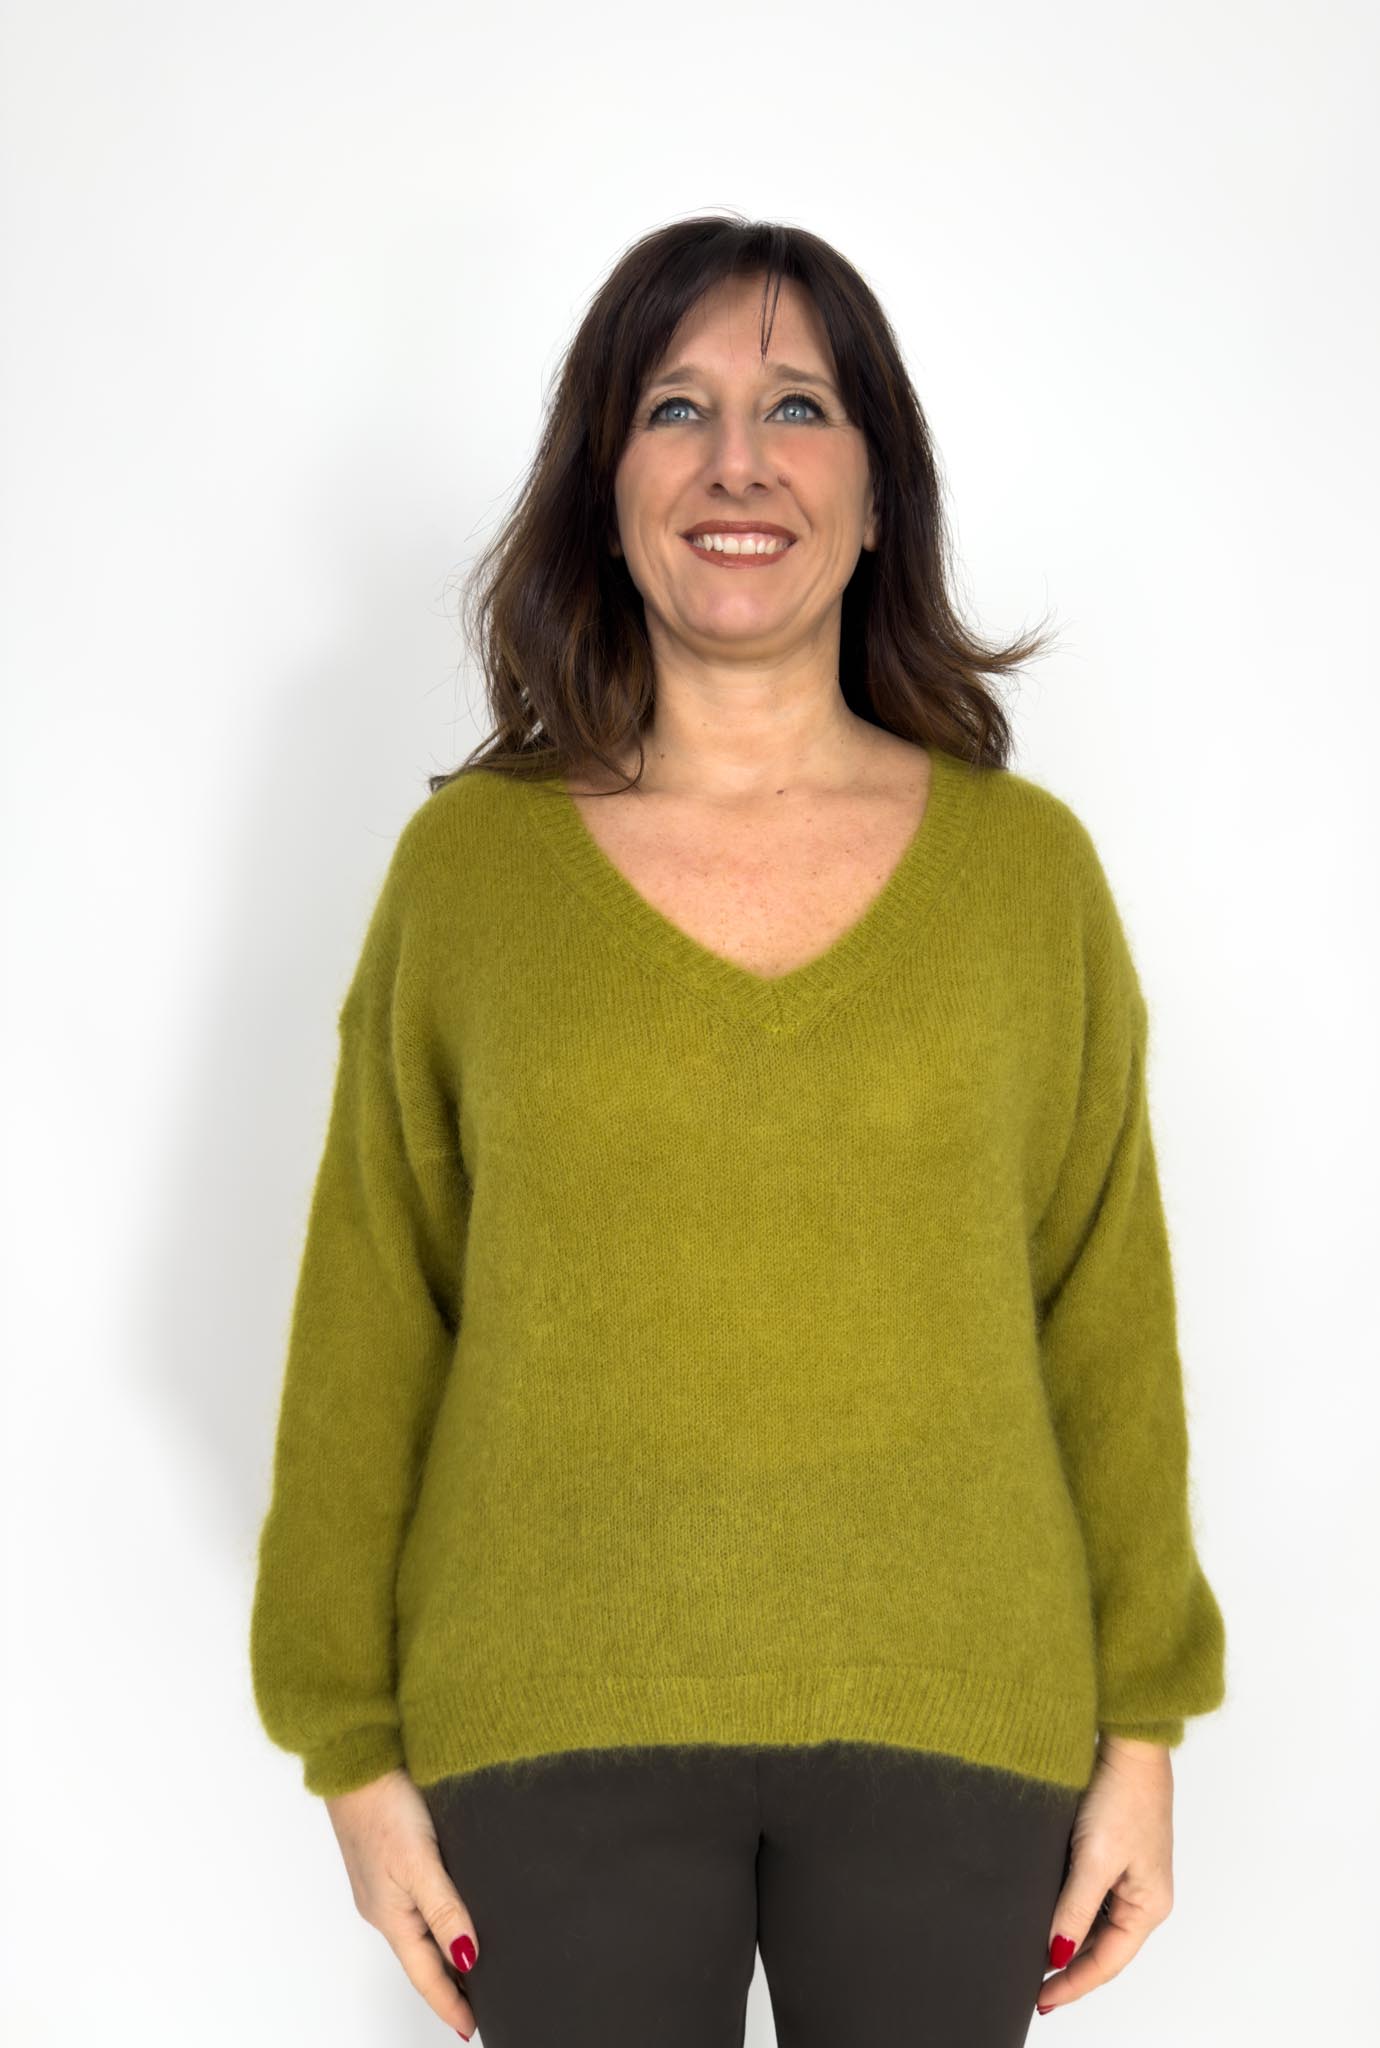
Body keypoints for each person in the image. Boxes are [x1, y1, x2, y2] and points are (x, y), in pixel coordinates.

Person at [249, 215, 1226, 2047]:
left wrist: (1147, 1729)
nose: (738, 463)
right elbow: (374, 1308)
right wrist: (349, 1753)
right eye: (675, 410)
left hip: (961, 1712)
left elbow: (1104, 1311)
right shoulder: (471, 876)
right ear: (605, 487)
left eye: (798, 407)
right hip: (546, 1715)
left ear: (877, 493)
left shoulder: (1026, 879)